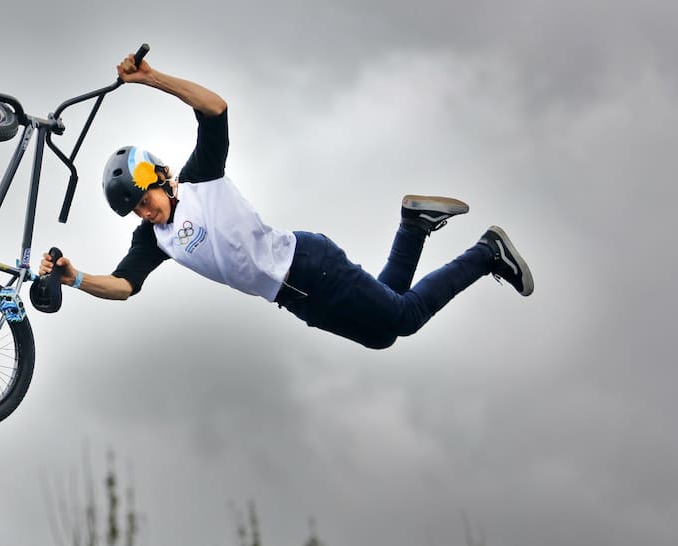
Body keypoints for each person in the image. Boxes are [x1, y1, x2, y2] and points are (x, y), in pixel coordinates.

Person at [37, 53, 533, 350]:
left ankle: (488, 251)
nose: (146, 213)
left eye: (144, 200)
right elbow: (125, 286)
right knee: (384, 334)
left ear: (158, 179)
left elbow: (215, 110)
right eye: (137, 212)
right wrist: (73, 277)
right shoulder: (154, 241)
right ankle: (414, 226)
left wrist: (152, 78)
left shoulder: (199, 180)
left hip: (310, 265)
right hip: (294, 300)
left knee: (401, 318)